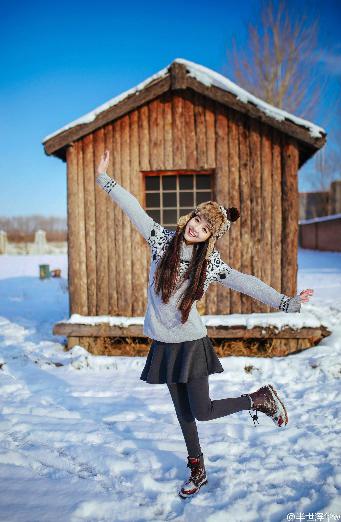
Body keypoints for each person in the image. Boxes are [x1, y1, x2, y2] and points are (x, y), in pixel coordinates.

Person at [96, 150, 314, 499]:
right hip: (164, 344)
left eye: (205, 228)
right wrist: (105, 178)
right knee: (183, 413)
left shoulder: (209, 265)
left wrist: (287, 302)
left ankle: (259, 399)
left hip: (191, 343)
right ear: (190, 216)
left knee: (203, 410)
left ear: (210, 236)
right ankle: (197, 467)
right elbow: (133, 208)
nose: (196, 228)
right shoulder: (160, 240)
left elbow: (248, 282)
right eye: (197, 219)